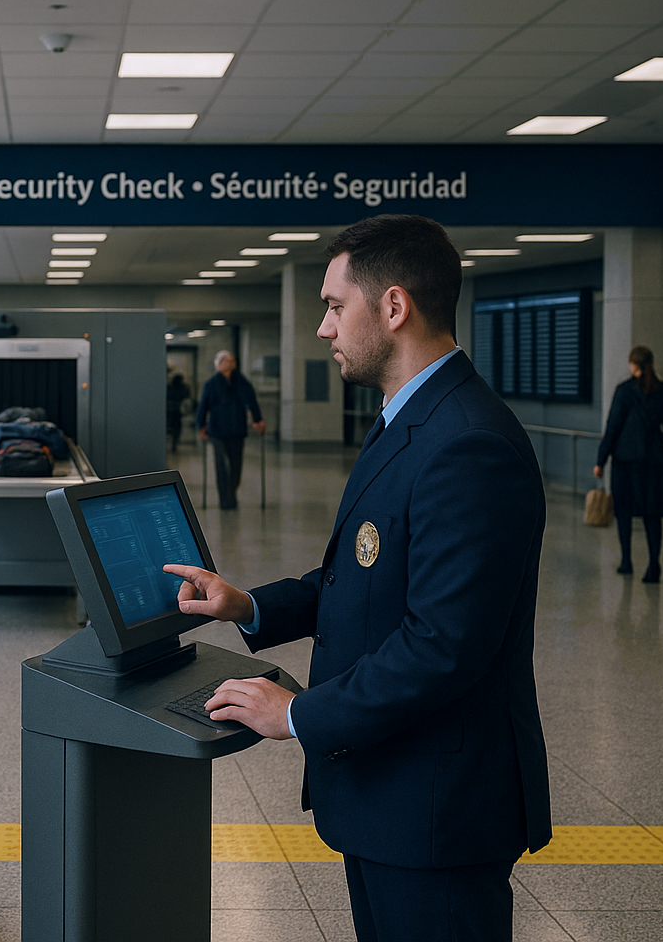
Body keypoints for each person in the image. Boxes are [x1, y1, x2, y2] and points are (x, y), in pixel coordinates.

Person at [164, 215, 551, 942]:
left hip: (437, 812)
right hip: (389, 795)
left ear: (394, 307)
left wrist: (296, 716)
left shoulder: (467, 442)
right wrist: (246, 605)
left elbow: (442, 645)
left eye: (336, 306)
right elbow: (361, 575)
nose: (322, 328)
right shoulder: (409, 420)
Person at [594, 345, 663, 583]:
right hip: (654, 463)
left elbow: (613, 428)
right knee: (652, 515)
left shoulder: (624, 391)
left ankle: (626, 561)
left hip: (625, 461)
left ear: (634, 365)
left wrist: (600, 460)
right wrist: (657, 435)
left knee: (624, 512)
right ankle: (654, 566)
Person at [195, 350, 266, 509]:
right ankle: (224, 499)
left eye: (233, 361)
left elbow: (251, 400)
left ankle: (231, 492)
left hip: (237, 429)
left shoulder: (241, 382)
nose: (231, 364)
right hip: (217, 430)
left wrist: (258, 419)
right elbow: (203, 406)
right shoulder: (211, 383)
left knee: (236, 465)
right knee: (221, 465)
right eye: (227, 361)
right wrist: (201, 425)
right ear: (219, 364)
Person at [166, 371, 192, 451]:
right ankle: (174, 443)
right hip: (177, 411)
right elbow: (187, 396)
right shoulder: (183, 388)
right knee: (176, 428)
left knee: (169, 426)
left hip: (169, 410)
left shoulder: (169, 387)